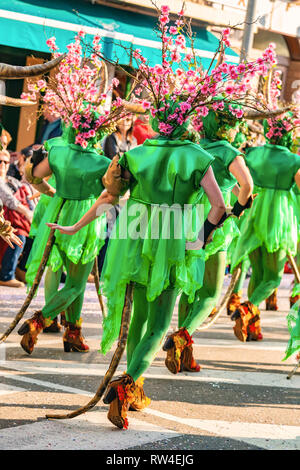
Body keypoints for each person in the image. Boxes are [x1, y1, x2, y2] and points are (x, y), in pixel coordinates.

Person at [162, 107, 254, 374]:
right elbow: (246, 185)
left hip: (189, 215)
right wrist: (238, 208)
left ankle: (186, 354)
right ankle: (182, 337)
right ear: (227, 126)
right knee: (210, 294)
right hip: (214, 216)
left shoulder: (195, 146)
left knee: (189, 288)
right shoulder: (229, 151)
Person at [230, 111, 300, 341]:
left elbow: (236, 178)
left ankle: (252, 328)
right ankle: (248, 307)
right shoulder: (294, 160)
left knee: (258, 274)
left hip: (254, 211)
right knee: (273, 278)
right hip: (278, 219)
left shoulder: (252, 153)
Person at [0, 149, 33, 287]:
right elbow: (11, 201)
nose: (3, 164)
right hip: (9, 221)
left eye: (6, 162)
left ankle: (21, 270)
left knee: (36, 235)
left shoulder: (13, 180)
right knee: (19, 235)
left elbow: (28, 198)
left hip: (15, 221)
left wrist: (33, 214)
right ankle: (6, 275)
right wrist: (27, 213)